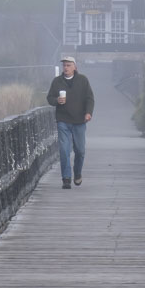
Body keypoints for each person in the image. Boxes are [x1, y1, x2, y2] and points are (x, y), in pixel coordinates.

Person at [46, 55, 94, 188]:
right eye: (64, 65)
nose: (65, 68)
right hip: (63, 120)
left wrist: (88, 113)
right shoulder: (57, 82)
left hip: (79, 120)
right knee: (64, 150)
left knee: (80, 151)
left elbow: (89, 98)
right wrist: (57, 101)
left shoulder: (83, 80)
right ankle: (66, 178)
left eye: (68, 65)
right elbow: (49, 98)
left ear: (74, 67)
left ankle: (77, 173)